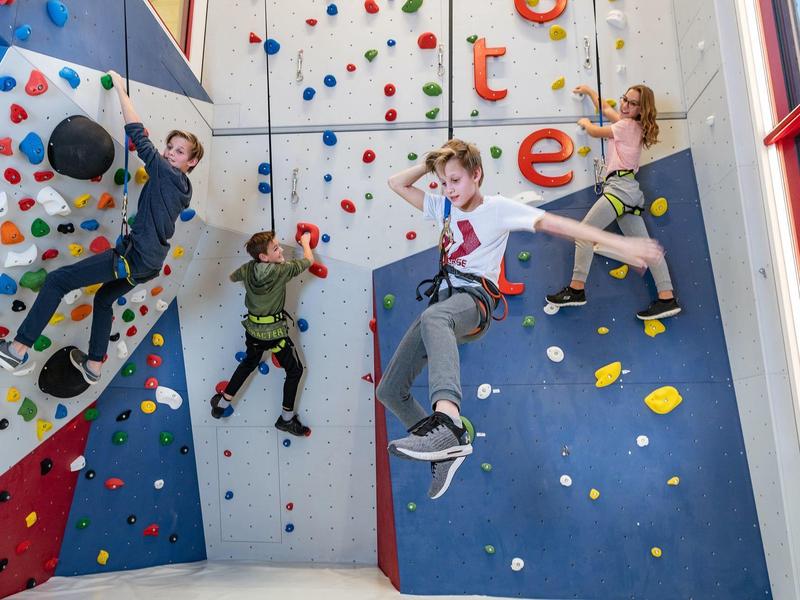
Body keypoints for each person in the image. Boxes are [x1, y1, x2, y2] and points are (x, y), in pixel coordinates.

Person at [378, 139, 664, 499]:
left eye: (456, 180)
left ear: (476, 175)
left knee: (434, 317)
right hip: (444, 306)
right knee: (390, 391)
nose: (449, 189)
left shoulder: (497, 209)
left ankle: (449, 423)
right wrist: (431, 161)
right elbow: (396, 183)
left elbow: (559, 225)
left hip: (475, 301)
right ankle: (444, 453)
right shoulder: (445, 208)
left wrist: (623, 245)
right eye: (444, 182)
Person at [0, 70, 204, 383]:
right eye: (169, 146)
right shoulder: (183, 187)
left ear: (191, 162)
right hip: (149, 265)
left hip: (135, 258)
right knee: (104, 299)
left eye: (179, 151)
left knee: (56, 281)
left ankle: (17, 349)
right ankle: (94, 365)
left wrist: (120, 88)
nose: (169, 153)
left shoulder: (166, 173)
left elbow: (136, 133)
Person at [546, 83, 681, 320]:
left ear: (641, 109)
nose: (625, 105)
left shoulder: (626, 126)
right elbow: (606, 109)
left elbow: (595, 132)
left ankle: (576, 289)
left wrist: (585, 123)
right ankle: (667, 298)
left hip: (619, 189)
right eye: (624, 99)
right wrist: (590, 92)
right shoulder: (630, 125)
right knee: (647, 248)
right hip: (628, 191)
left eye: (632, 103)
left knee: (583, 233)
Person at [209, 231, 313, 437]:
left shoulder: (248, 268)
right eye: (276, 248)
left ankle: (221, 405)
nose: (281, 250)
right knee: (295, 371)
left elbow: (232, 277)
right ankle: (286, 420)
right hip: (274, 334)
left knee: (248, 364)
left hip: (254, 331)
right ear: (264, 257)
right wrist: (306, 242)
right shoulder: (281, 270)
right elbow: (309, 261)